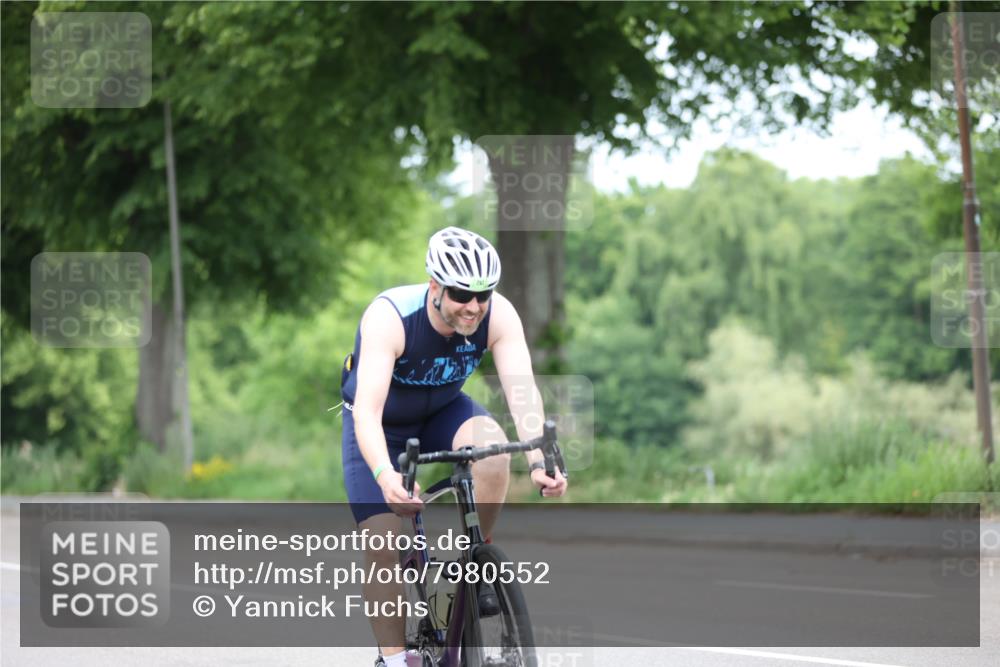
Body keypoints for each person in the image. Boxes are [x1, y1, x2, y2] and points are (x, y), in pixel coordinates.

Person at [340, 226, 568, 667]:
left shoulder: (497, 315)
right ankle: (394, 658)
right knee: (383, 540)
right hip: (381, 425)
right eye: (463, 294)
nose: (474, 306)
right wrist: (386, 477)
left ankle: (478, 558)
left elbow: (521, 393)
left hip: (444, 410)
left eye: (484, 295)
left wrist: (540, 458)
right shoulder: (390, 317)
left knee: (494, 451)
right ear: (435, 286)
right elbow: (366, 413)